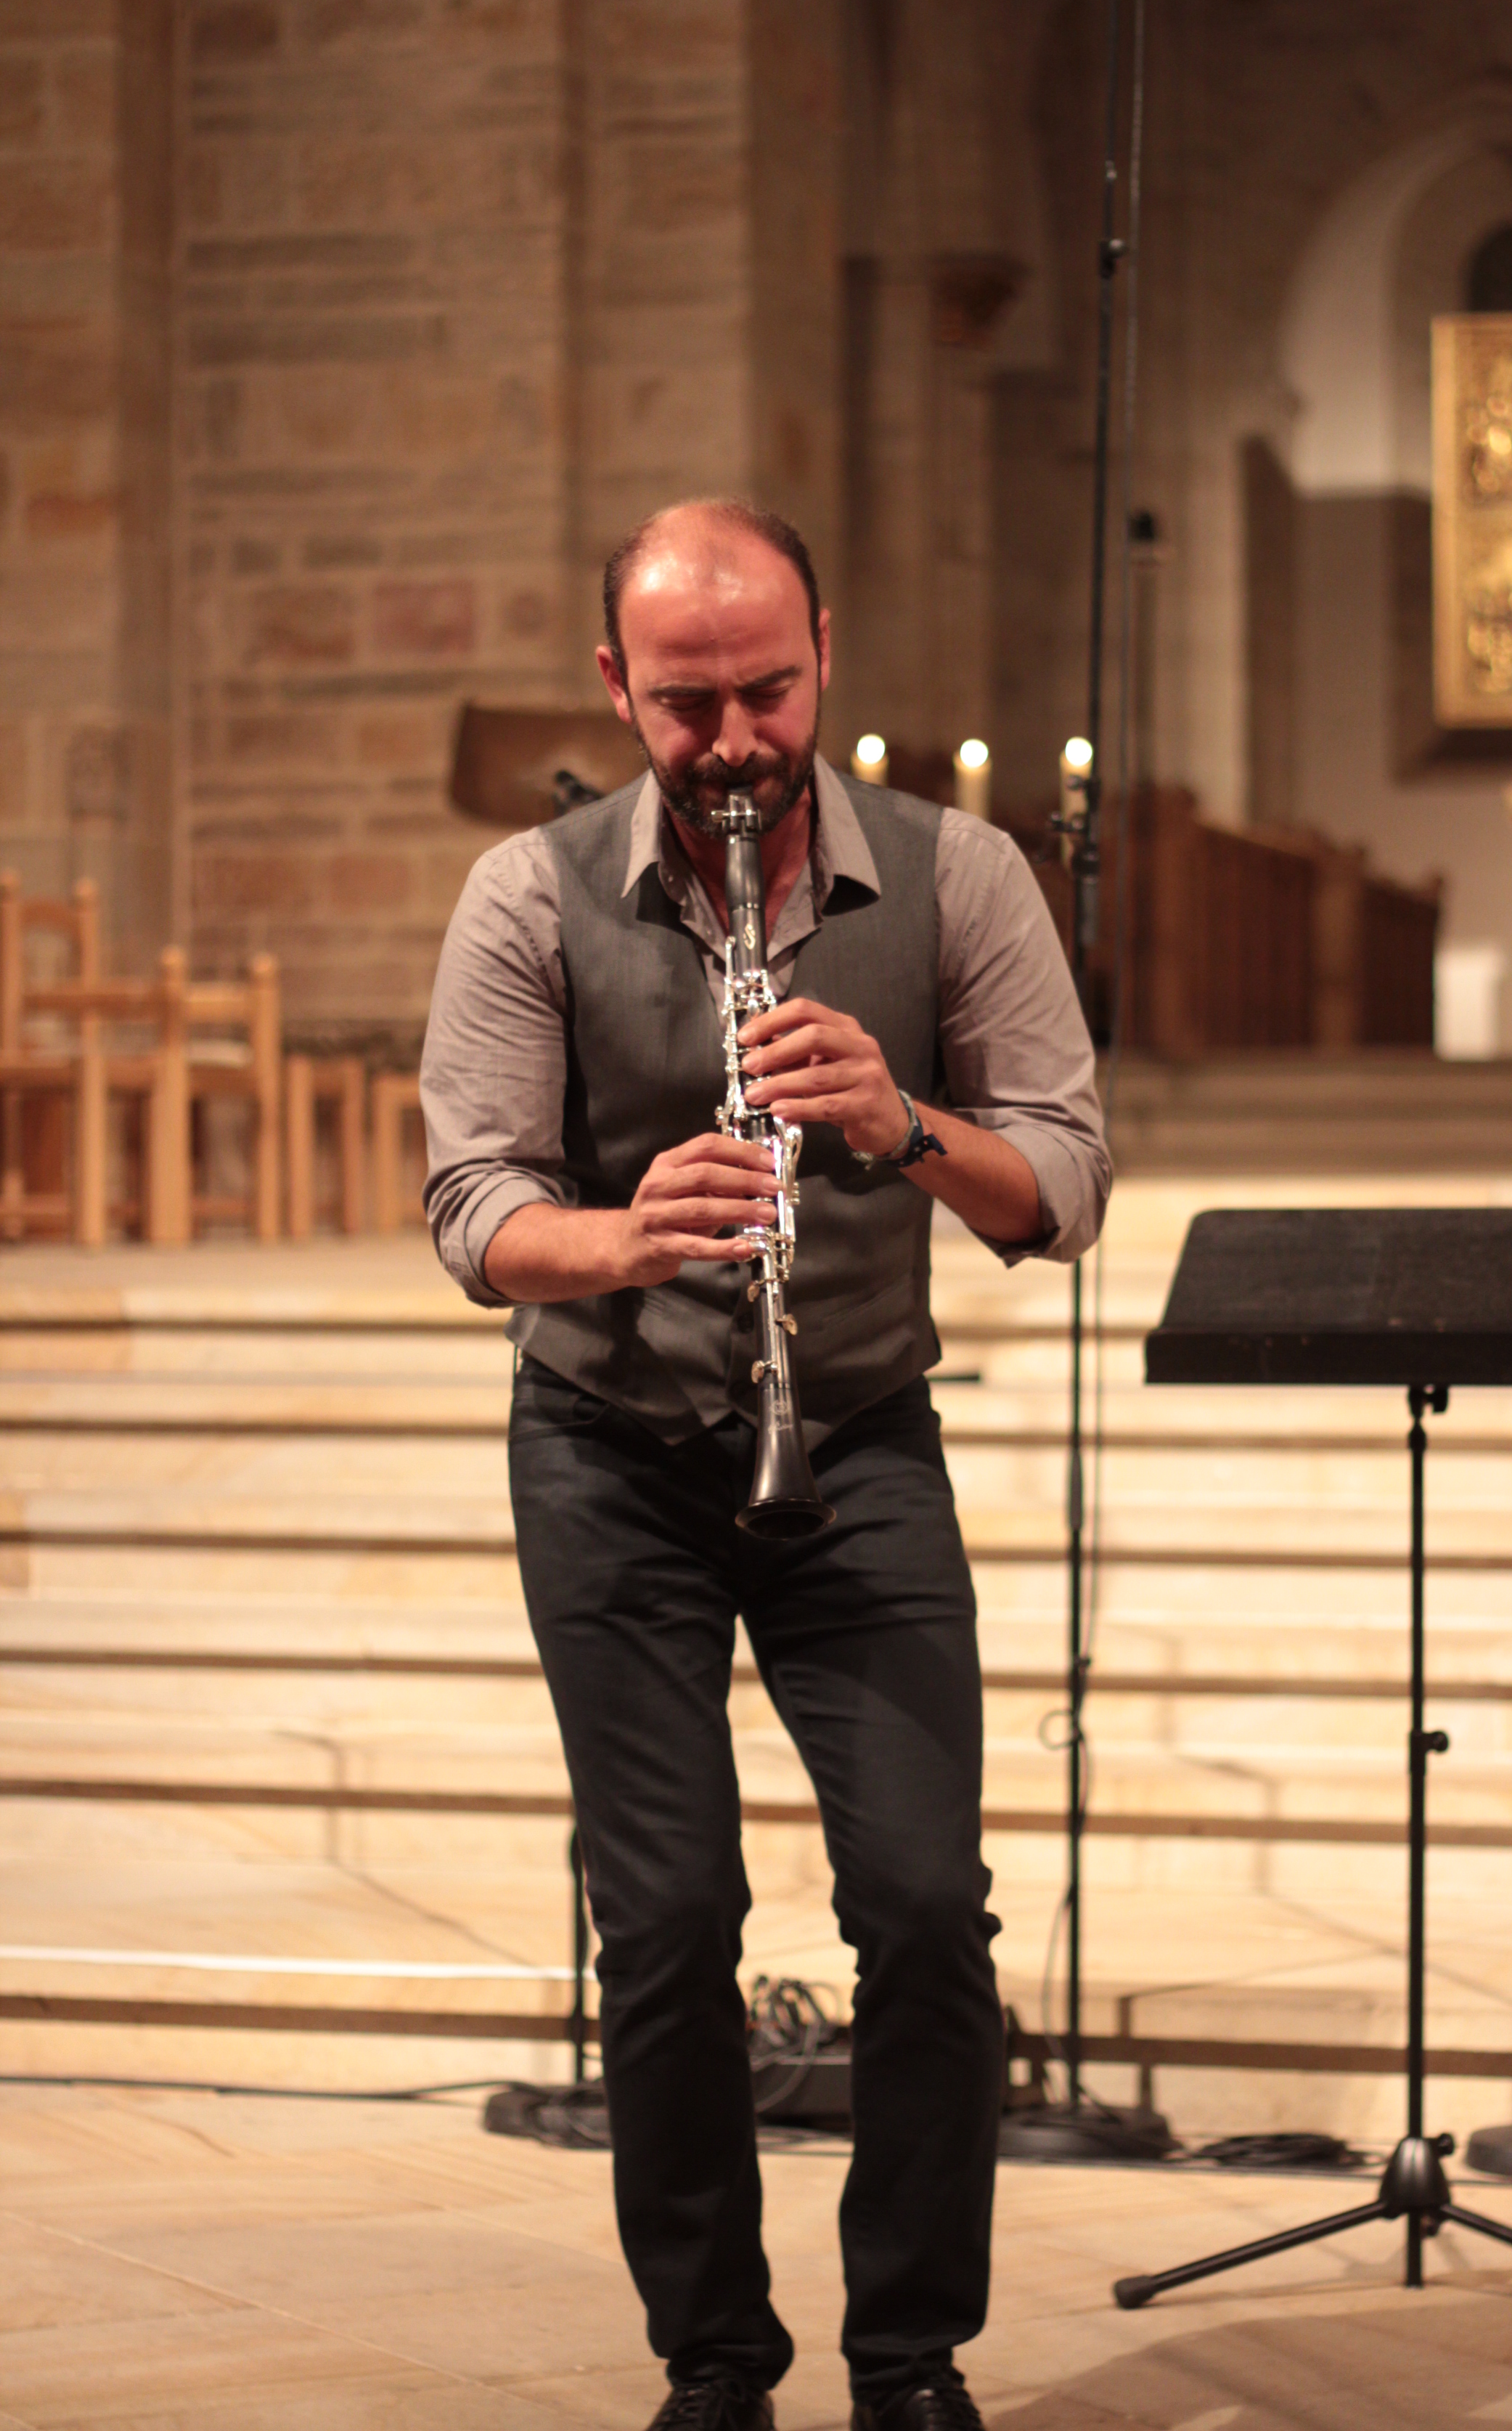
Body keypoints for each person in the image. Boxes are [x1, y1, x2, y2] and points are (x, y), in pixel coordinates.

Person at [422, 500, 1110, 2431]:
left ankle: (912, 2364)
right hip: (610, 1449)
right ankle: (715, 2363)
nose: (736, 746)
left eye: (771, 693)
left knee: (919, 1906)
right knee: (664, 1916)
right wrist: (624, 1234)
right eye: (689, 705)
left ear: (829, 652)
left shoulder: (958, 882)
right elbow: (475, 1207)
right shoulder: (526, 894)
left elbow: (1061, 1180)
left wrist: (900, 1124)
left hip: (859, 1435)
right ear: (617, 685)